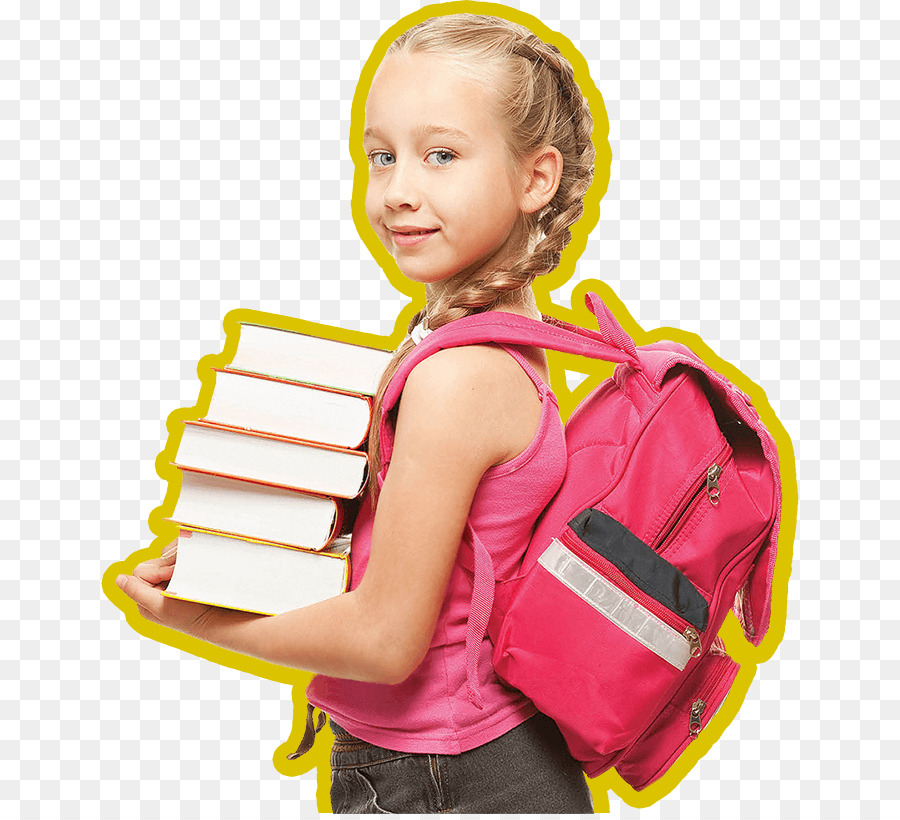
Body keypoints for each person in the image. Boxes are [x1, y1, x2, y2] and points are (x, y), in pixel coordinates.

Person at [117, 12, 598, 813]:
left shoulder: (461, 377)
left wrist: (196, 617)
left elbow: (385, 643)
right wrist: (240, 567)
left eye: (441, 155)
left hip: (453, 778)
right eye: (383, 156)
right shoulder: (490, 339)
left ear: (535, 178)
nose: (399, 190)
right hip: (476, 762)